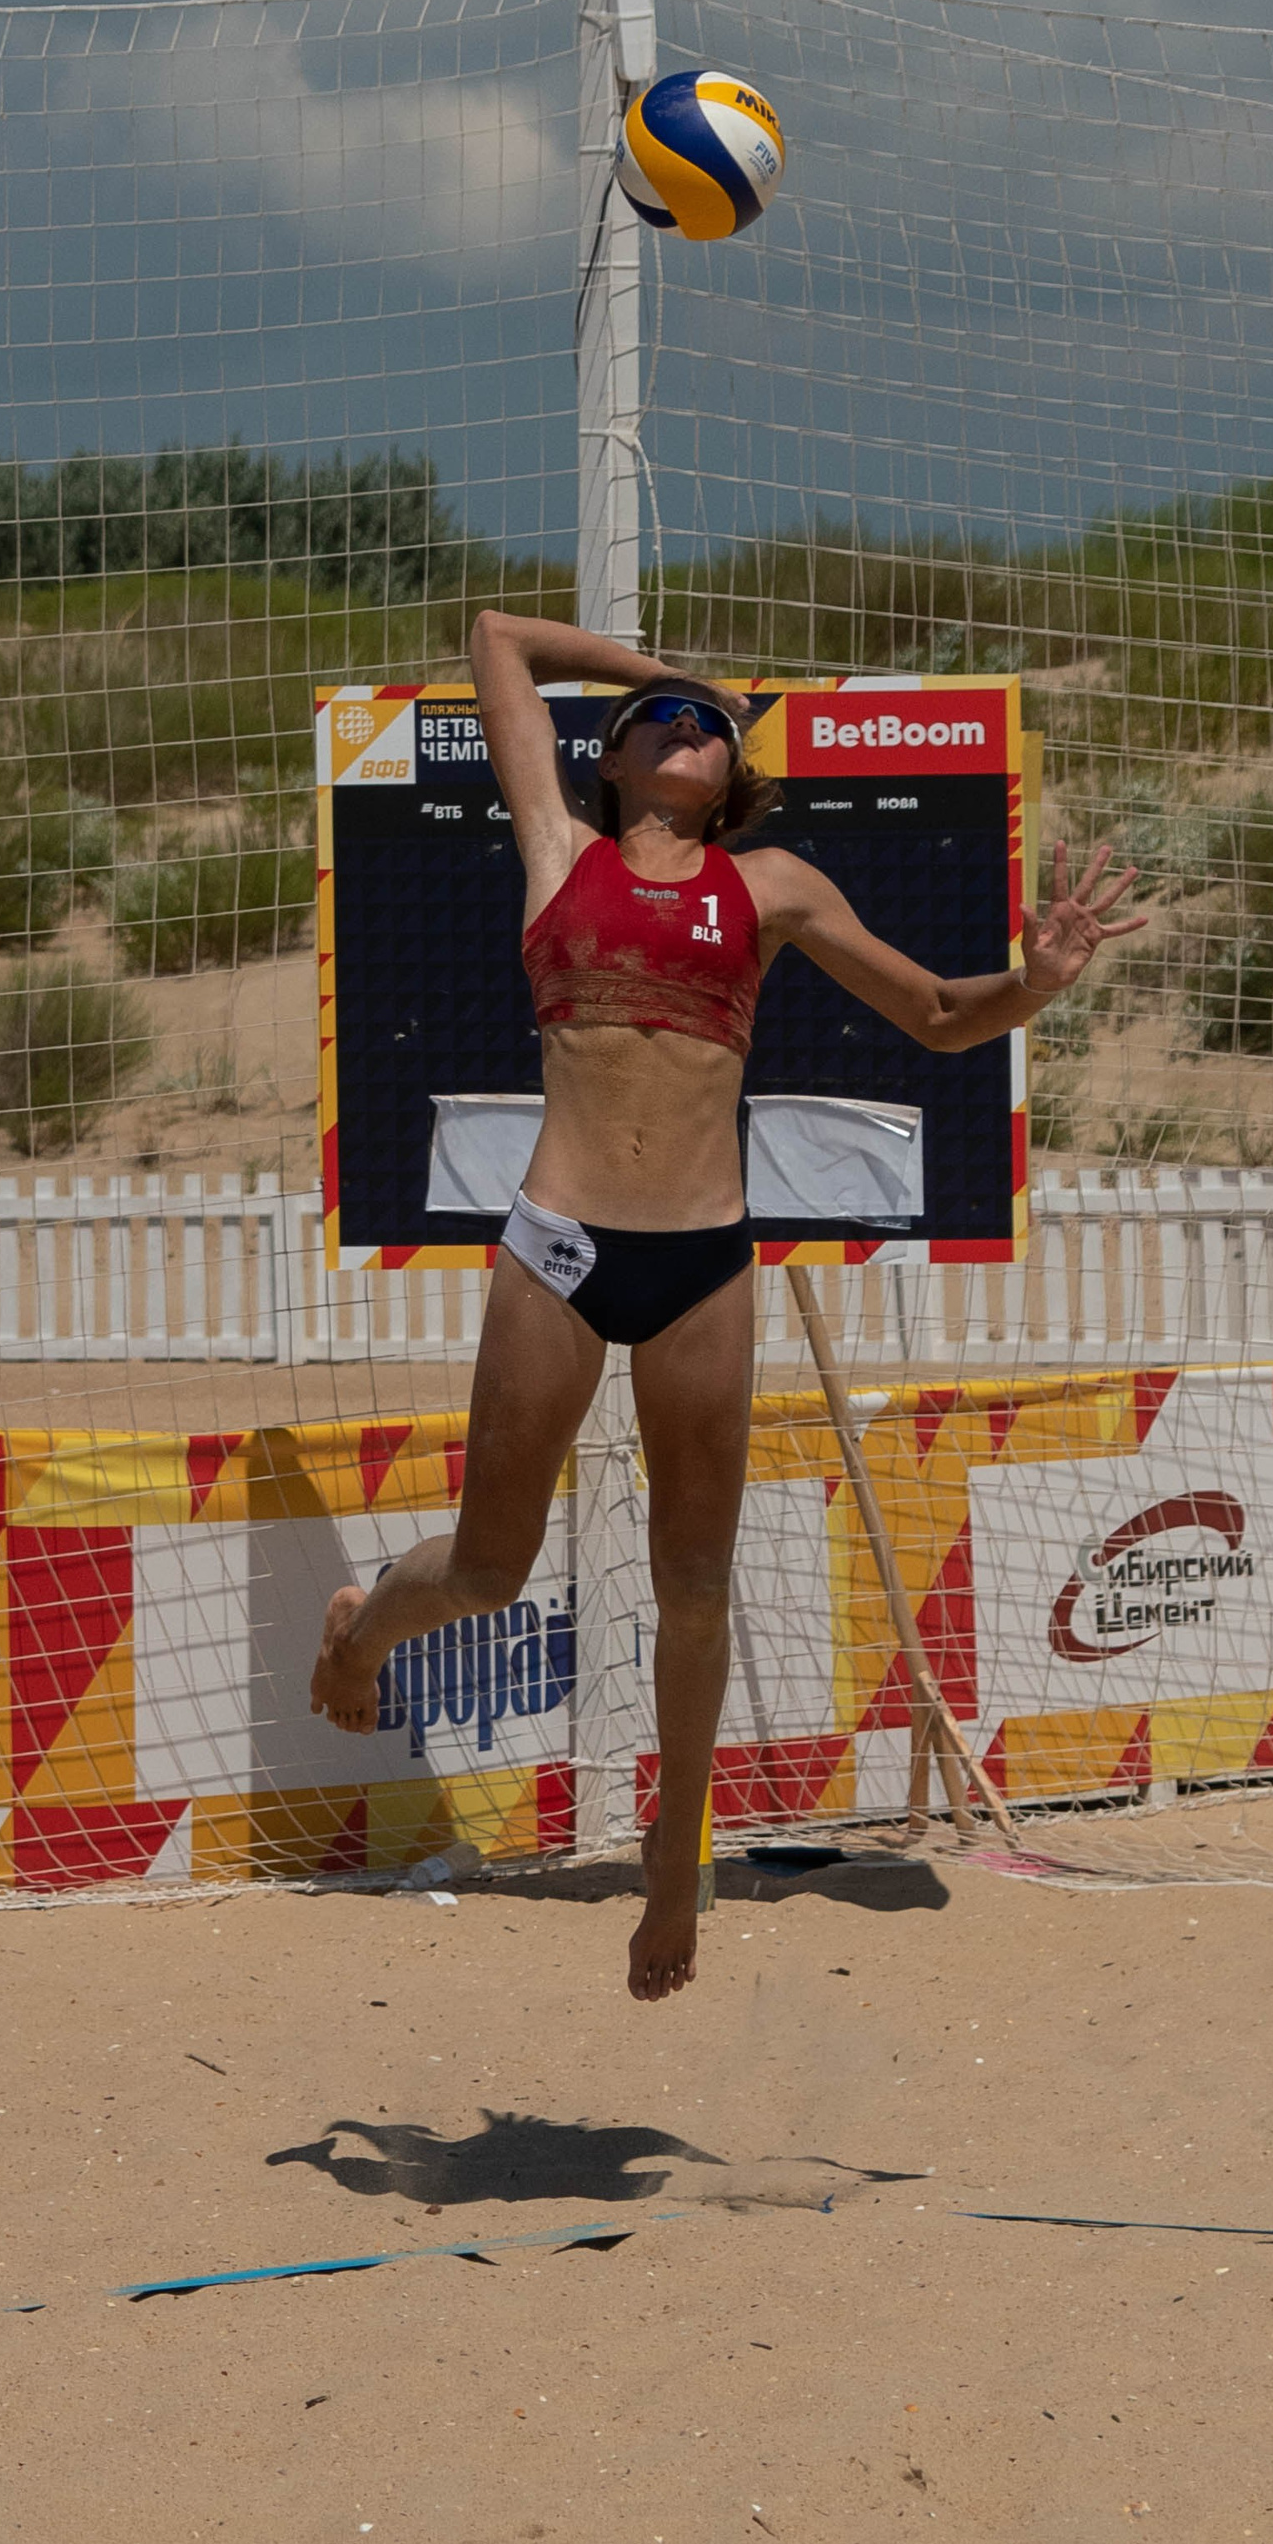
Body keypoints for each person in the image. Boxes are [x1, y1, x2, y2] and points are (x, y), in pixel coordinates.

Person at [310, 609, 1142, 1999]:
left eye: (712, 726)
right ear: (613, 759)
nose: (693, 730)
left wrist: (1034, 983)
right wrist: (665, 672)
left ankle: (674, 1850)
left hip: (702, 1257)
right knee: (491, 1569)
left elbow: (942, 1015)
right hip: (561, 1248)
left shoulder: (773, 884)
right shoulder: (559, 852)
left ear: (733, 779)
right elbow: (496, 639)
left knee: (696, 1586)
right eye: (666, 724)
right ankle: (362, 1627)